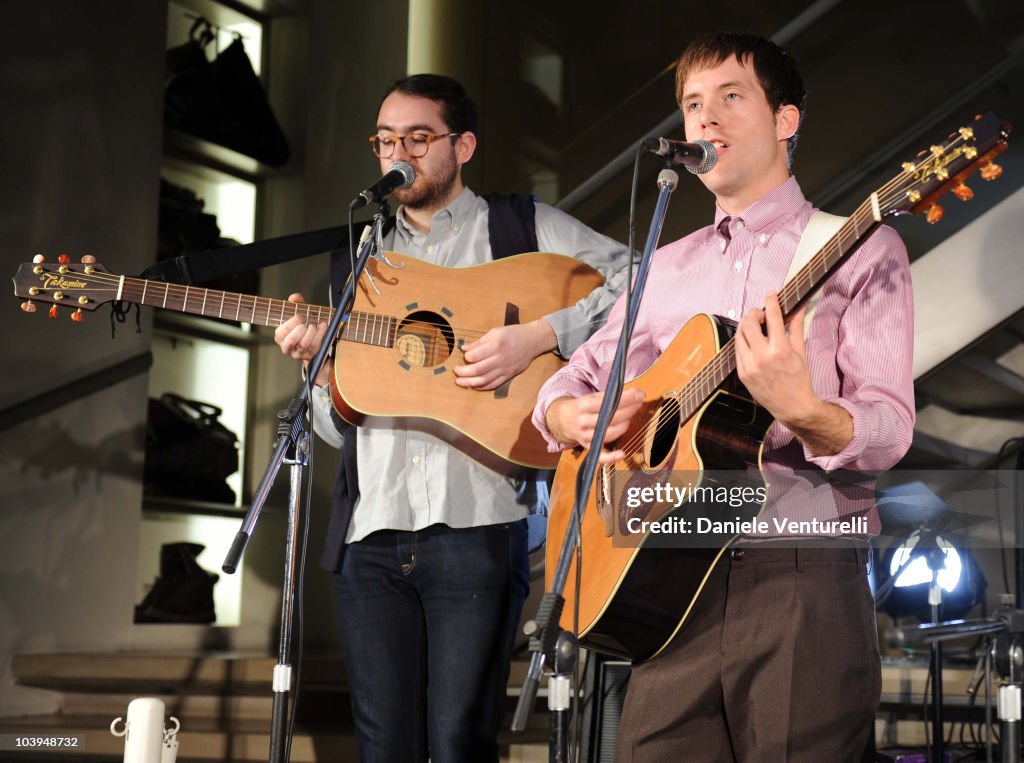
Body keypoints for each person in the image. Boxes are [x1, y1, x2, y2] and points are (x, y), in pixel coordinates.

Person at [533, 33, 915, 761]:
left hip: (797, 572)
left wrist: (804, 410)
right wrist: (567, 413)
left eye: (730, 97)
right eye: (691, 105)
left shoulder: (858, 247)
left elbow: (891, 427)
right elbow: (569, 378)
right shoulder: (665, 266)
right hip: (666, 574)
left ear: (785, 120)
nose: (704, 120)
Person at [273, 74, 631, 762]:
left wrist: (539, 335)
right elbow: (336, 425)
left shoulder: (521, 226)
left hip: (478, 525)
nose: (398, 153)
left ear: (462, 145)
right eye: (385, 141)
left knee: (460, 743)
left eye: (417, 137)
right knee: (384, 750)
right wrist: (318, 368)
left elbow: (636, 280)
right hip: (371, 536)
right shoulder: (360, 259)